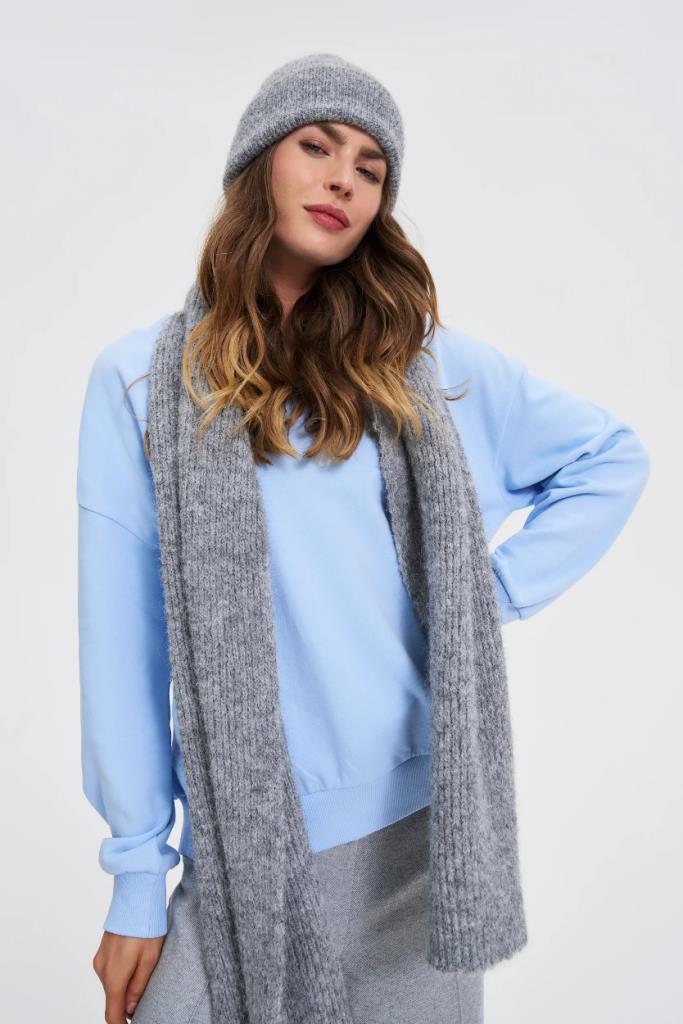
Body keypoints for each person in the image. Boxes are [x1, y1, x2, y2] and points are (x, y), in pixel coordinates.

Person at [77, 53, 650, 1024]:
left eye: (370, 168)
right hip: (239, 847)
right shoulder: (139, 383)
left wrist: (477, 594)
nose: (343, 177)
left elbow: (607, 457)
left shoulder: (417, 366)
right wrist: (137, 877)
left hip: (412, 848)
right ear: (259, 162)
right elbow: (122, 649)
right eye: (316, 145)